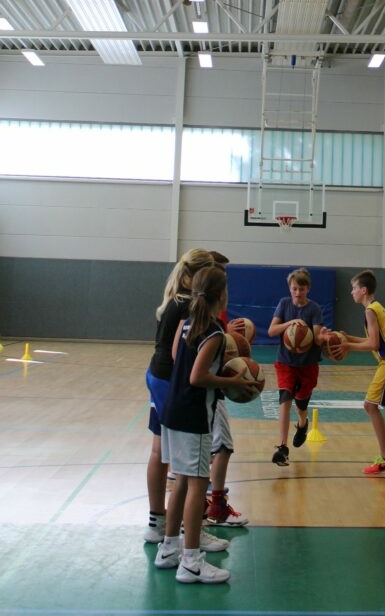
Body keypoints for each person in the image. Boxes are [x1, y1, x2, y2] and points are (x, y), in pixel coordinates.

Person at [154, 262, 244, 584]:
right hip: (193, 416)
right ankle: (191, 561)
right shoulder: (215, 332)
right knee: (196, 485)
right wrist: (233, 382)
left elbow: (177, 359)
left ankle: (169, 549)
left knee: (181, 480)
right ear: (222, 295)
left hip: (171, 410)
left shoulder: (187, 323)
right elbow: (197, 377)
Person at [144, 248, 214, 544]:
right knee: (186, 460)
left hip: (157, 375)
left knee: (160, 451)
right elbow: (179, 352)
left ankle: (157, 522)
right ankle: (187, 529)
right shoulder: (190, 305)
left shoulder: (176, 297)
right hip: (169, 380)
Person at [336, 269, 385, 475]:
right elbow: (374, 340)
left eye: (354, 288)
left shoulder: (370, 310)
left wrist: (348, 346)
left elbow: (373, 344)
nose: (351, 292)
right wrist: (349, 338)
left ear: (363, 290)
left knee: (370, 406)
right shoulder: (377, 307)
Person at [204, 251, 248, 528]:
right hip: (209, 392)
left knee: (203, 449)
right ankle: (216, 506)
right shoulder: (209, 322)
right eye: (221, 272)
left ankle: (200, 505)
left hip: (194, 393)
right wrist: (233, 380)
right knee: (223, 446)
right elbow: (200, 370)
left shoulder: (197, 312)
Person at [267, 268, 324, 467]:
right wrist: (291, 323)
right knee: (285, 399)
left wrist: (324, 337)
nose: (298, 292)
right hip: (285, 362)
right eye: (294, 288)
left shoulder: (314, 309)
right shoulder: (284, 304)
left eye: (301, 289)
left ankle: (302, 424)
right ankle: (282, 447)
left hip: (308, 364)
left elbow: (317, 338)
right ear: (289, 288)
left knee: (301, 405)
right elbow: (272, 330)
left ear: (308, 289)